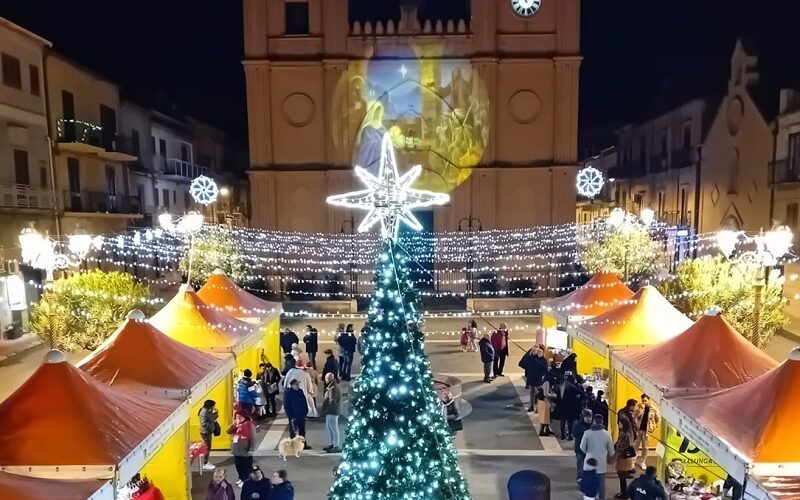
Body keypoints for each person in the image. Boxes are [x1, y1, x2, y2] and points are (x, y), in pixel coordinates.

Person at [580, 414, 615, 500]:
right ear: (602, 422)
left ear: (593, 421)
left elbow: (582, 447)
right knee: (601, 483)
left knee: (589, 483)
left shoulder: (587, 433)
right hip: (601, 463)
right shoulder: (606, 434)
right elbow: (611, 450)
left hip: (589, 462)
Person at [227, 411, 257, 488]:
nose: (238, 418)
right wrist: (233, 425)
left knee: (245, 467)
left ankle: (245, 480)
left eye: (239, 417)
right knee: (238, 466)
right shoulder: (236, 425)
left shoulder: (250, 425)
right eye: (236, 417)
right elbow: (228, 431)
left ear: (244, 417)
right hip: (236, 449)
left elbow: (253, 438)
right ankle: (241, 478)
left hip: (245, 450)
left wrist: (251, 449)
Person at [633, 394, 660, 469]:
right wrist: (640, 410)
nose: (644, 402)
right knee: (635, 446)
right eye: (643, 401)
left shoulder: (654, 409)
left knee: (645, 447)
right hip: (638, 430)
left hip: (647, 431)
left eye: (645, 401)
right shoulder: (639, 407)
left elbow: (658, 419)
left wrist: (654, 427)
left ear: (649, 400)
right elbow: (635, 417)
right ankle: (633, 461)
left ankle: (643, 462)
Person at [554, 374, 583, 441]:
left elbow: (557, 397)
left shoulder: (560, 386)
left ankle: (562, 435)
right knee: (569, 421)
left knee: (562, 421)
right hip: (569, 406)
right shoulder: (572, 387)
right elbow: (580, 393)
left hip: (561, 406)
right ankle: (570, 434)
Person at [614, 417, 637, 499]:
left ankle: (624, 494)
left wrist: (616, 446)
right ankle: (624, 492)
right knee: (622, 476)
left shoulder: (625, 434)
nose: (619, 424)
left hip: (623, 458)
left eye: (620, 423)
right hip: (624, 458)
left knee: (622, 476)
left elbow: (622, 445)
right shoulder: (626, 433)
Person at [284, 379, 311, 449]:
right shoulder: (288, 393)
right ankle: (293, 445)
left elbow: (304, 401)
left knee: (302, 431)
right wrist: (290, 415)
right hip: (293, 416)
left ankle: (303, 444)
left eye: (298, 384)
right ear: (292, 385)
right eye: (296, 384)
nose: (298, 385)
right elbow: (286, 406)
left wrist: (306, 411)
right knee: (293, 432)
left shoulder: (300, 391)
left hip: (301, 415)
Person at [520, 347, 548, 412]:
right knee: (532, 392)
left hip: (538, 378)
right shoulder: (530, 357)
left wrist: (543, 376)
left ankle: (538, 407)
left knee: (538, 393)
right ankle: (532, 406)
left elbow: (545, 368)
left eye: (535, 350)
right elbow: (522, 363)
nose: (534, 351)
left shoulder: (541, 359)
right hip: (531, 377)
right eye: (533, 350)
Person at [321, 372, 342, 453]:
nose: (325, 380)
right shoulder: (332, 387)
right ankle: (332, 444)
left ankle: (336, 445)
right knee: (330, 428)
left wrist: (325, 411)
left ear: (329, 379)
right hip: (331, 411)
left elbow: (332, 402)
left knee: (333, 428)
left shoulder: (332, 388)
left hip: (332, 412)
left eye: (326, 378)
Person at [198, 400, 219, 471]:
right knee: (207, 447)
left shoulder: (207, 411)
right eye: (213, 405)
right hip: (206, 432)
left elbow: (212, 418)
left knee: (208, 447)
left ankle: (206, 462)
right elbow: (204, 423)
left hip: (208, 432)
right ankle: (205, 463)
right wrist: (211, 427)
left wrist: (215, 414)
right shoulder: (204, 412)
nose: (214, 407)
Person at [573, 409, 594, 481]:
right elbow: (575, 433)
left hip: (590, 450)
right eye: (587, 417)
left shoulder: (592, 426)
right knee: (581, 464)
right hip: (580, 449)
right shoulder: (578, 425)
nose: (589, 419)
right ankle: (580, 477)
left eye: (590, 417)